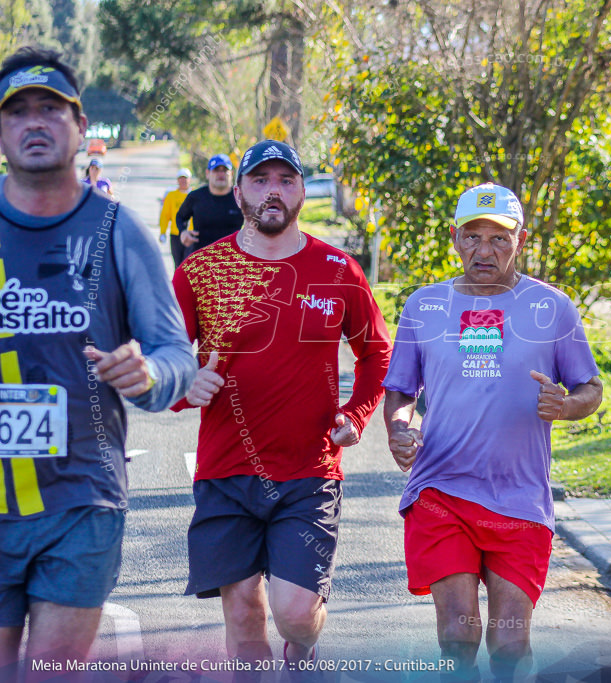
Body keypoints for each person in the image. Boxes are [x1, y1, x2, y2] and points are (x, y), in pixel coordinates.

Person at [0, 46, 196, 678]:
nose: (34, 122)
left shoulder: (116, 230)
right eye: (18, 111)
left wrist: (150, 376)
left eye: (51, 110)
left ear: (81, 128)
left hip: (81, 498)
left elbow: (176, 357)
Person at [172, 140, 392, 666]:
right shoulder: (201, 272)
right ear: (240, 190)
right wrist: (186, 384)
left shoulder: (337, 270)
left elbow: (378, 354)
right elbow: (165, 358)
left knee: (295, 614)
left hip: (309, 471)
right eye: (261, 180)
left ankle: (305, 649)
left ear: (299, 192)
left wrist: (356, 414)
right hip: (226, 472)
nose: (274, 191)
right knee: (245, 615)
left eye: (286, 181)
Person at [382, 183, 603, 680]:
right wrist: (400, 428)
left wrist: (566, 406)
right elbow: (399, 390)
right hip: (442, 490)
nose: (485, 250)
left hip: (520, 497)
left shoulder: (553, 308)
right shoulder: (425, 307)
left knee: (509, 641)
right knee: (458, 634)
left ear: (520, 240)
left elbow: (591, 387)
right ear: (455, 240)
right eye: (473, 236)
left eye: (499, 238)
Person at [176, 153, 242, 259]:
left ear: (232, 173)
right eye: (216, 170)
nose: (221, 174)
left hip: (233, 261)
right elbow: (180, 216)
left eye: (224, 170)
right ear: (207, 173)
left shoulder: (241, 198)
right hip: (201, 260)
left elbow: (256, 222)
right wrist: (183, 232)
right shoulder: (196, 197)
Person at [159, 167, 192, 268]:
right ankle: (177, 283)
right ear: (177, 180)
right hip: (176, 234)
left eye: (185, 178)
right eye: (181, 178)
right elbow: (165, 215)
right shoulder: (171, 196)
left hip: (192, 235)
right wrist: (163, 232)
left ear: (190, 180)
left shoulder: (195, 195)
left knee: (189, 263)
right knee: (178, 264)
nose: (183, 181)